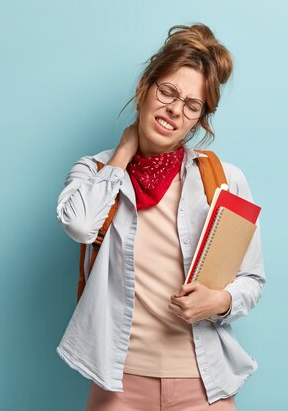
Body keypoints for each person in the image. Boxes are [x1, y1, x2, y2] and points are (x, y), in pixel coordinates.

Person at [55, 23, 266, 411]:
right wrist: (122, 156)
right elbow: (79, 225)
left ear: (199, 119)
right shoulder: (95, 170)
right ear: (144, 88)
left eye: (191, 105)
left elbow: (251, 279)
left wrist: (218, 301)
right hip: (118, 384)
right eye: (167, 91)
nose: (174, 110)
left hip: (202, 384)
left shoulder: (222, 180)